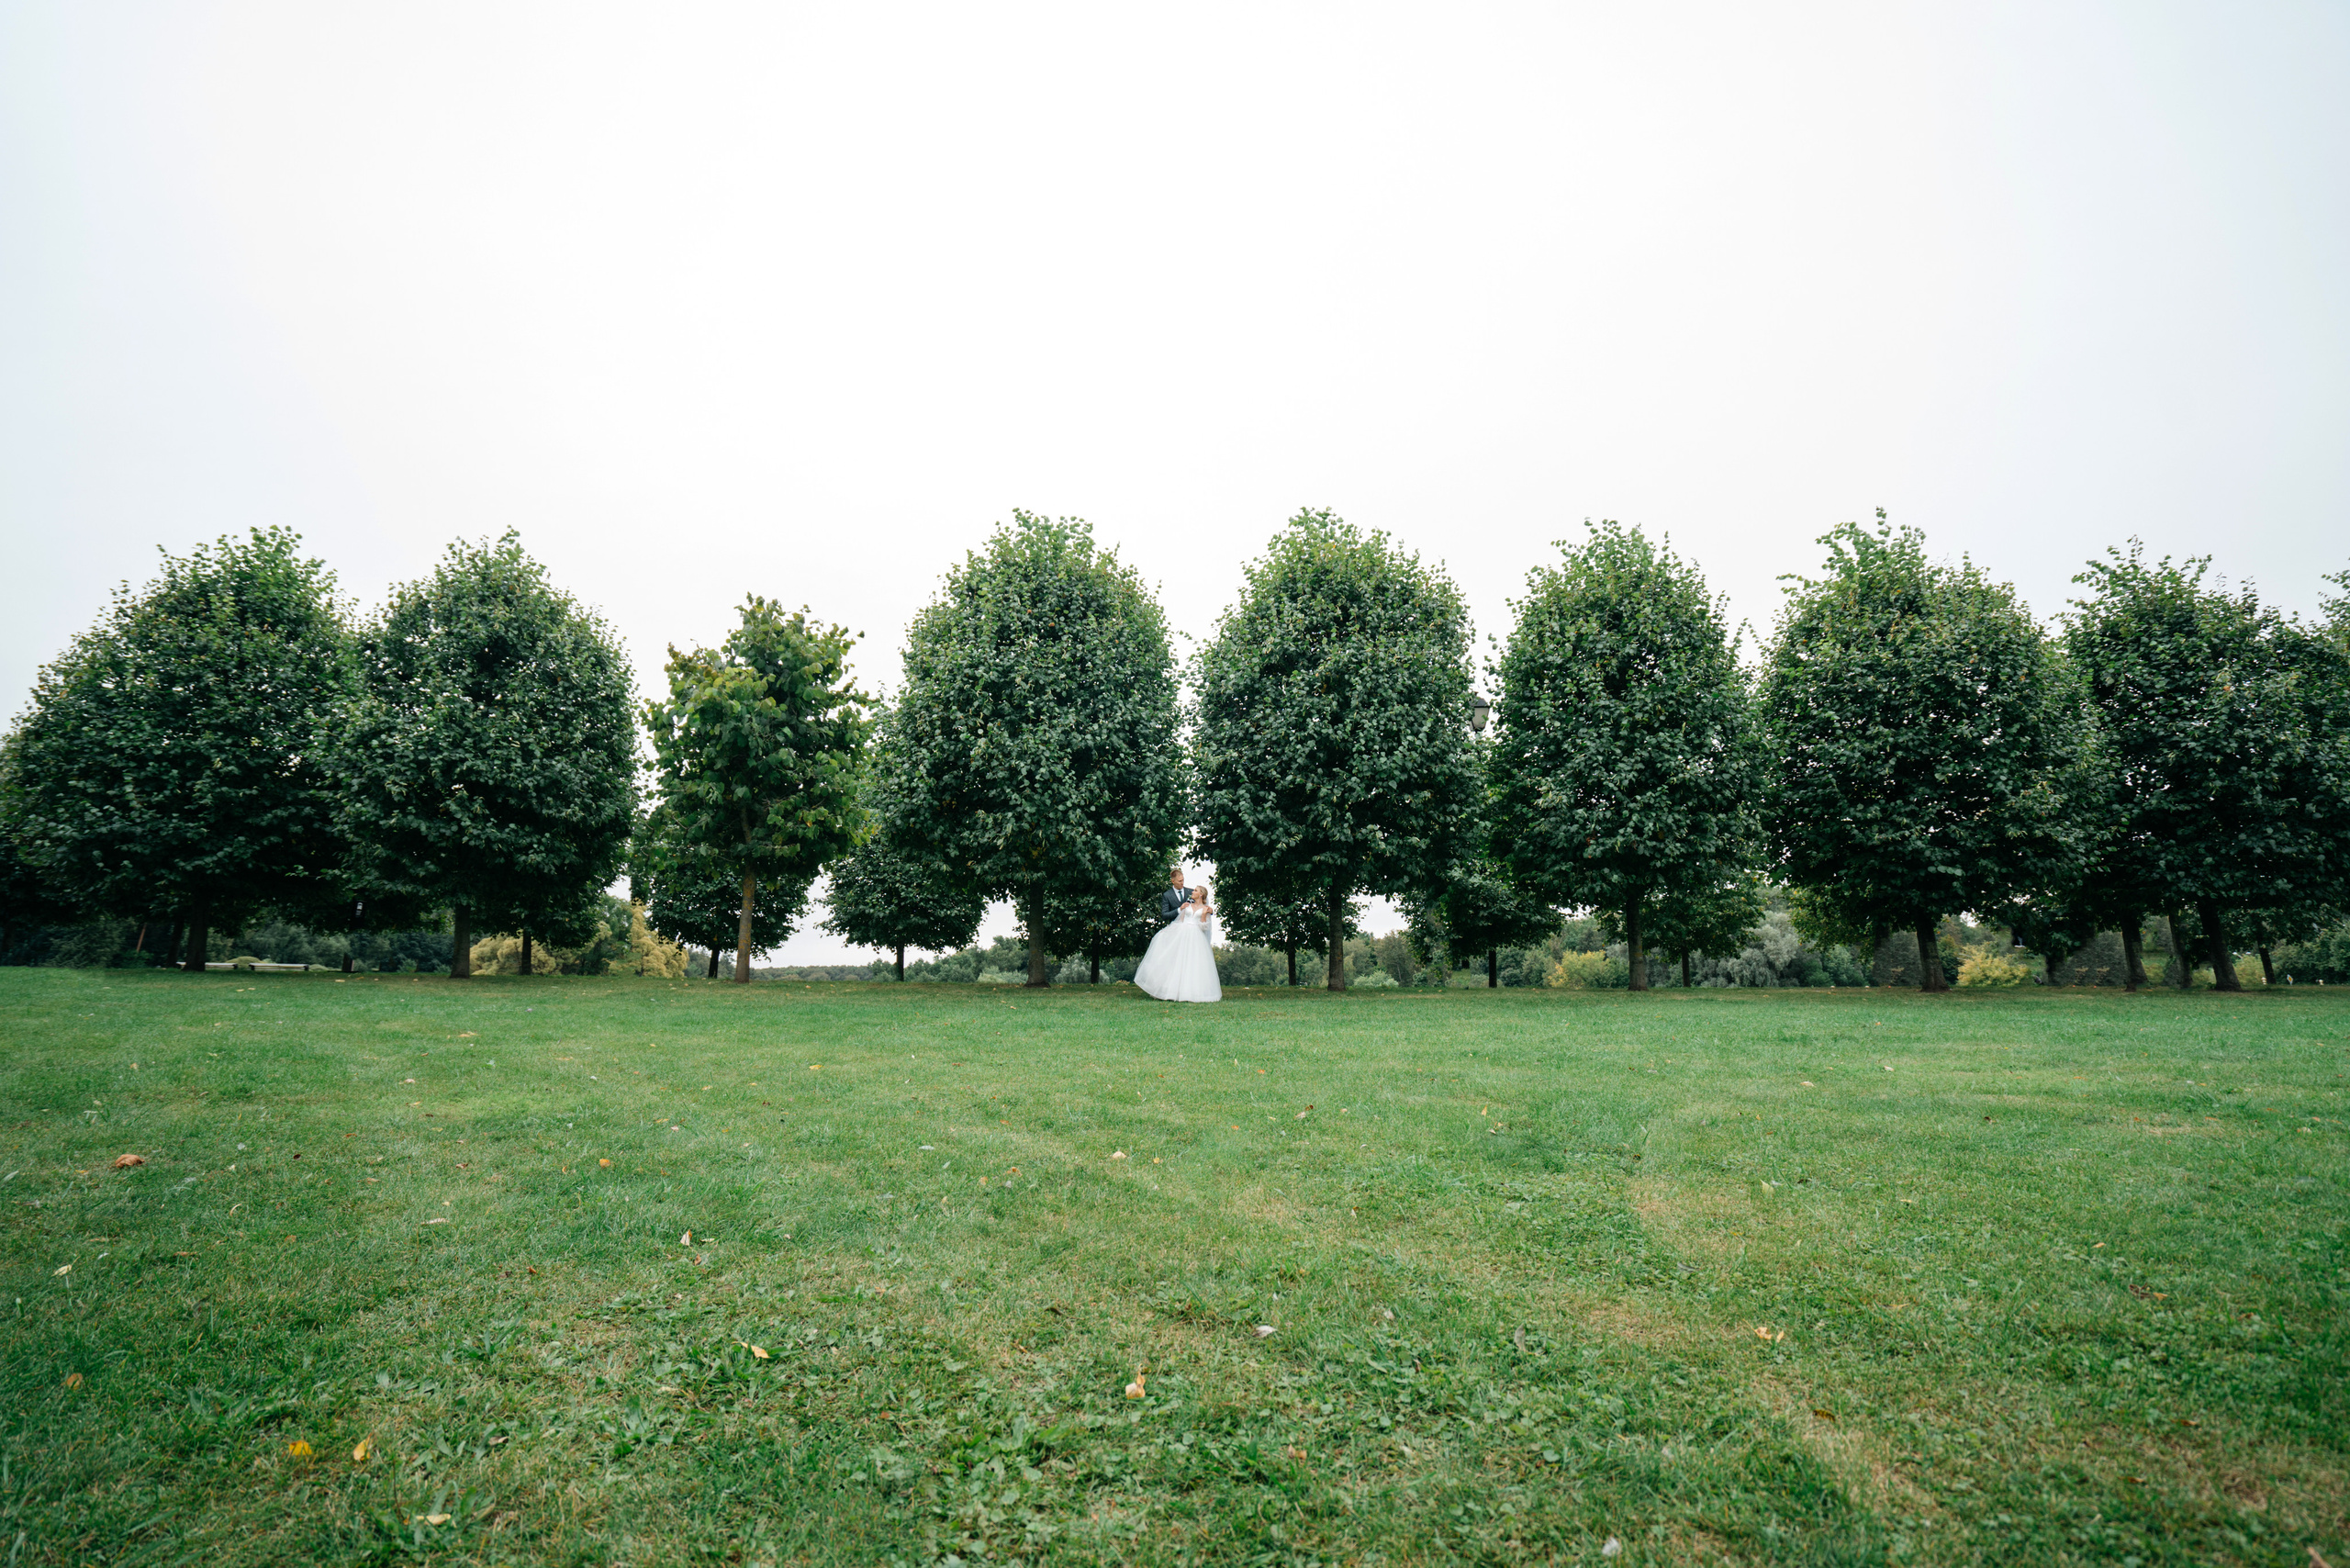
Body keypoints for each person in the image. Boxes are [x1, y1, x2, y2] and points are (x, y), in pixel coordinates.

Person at [1135, 873, 1221, 1002]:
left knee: (1192, 964)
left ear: (1201, 894)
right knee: (1176, 962)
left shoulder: (1205, 909)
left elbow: (1204, 927)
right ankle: (1169, 990)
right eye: (1180, 880)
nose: (1192, 891)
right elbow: (1178, 921)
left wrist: (1205, 914)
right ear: (1173, 881)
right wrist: (1168, 932)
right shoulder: (1185, 904)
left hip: (1196, 937)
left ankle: (1190, 992)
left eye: (1196, 890)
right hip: (1181, 933)